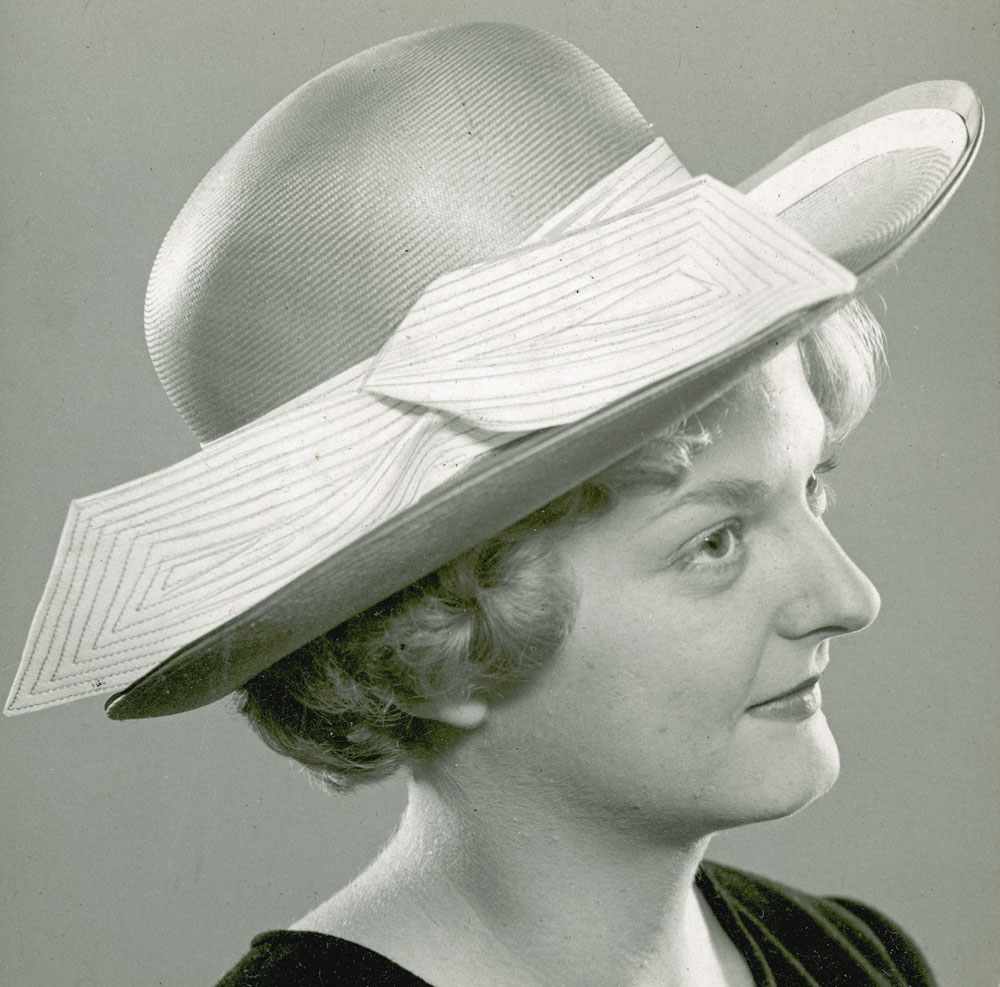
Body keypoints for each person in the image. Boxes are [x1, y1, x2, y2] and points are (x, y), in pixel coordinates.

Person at [4, 22, 982, 987]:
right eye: (715, 543)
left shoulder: (854, 964)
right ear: (437, 641)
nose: (847, 599)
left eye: (812, 487)